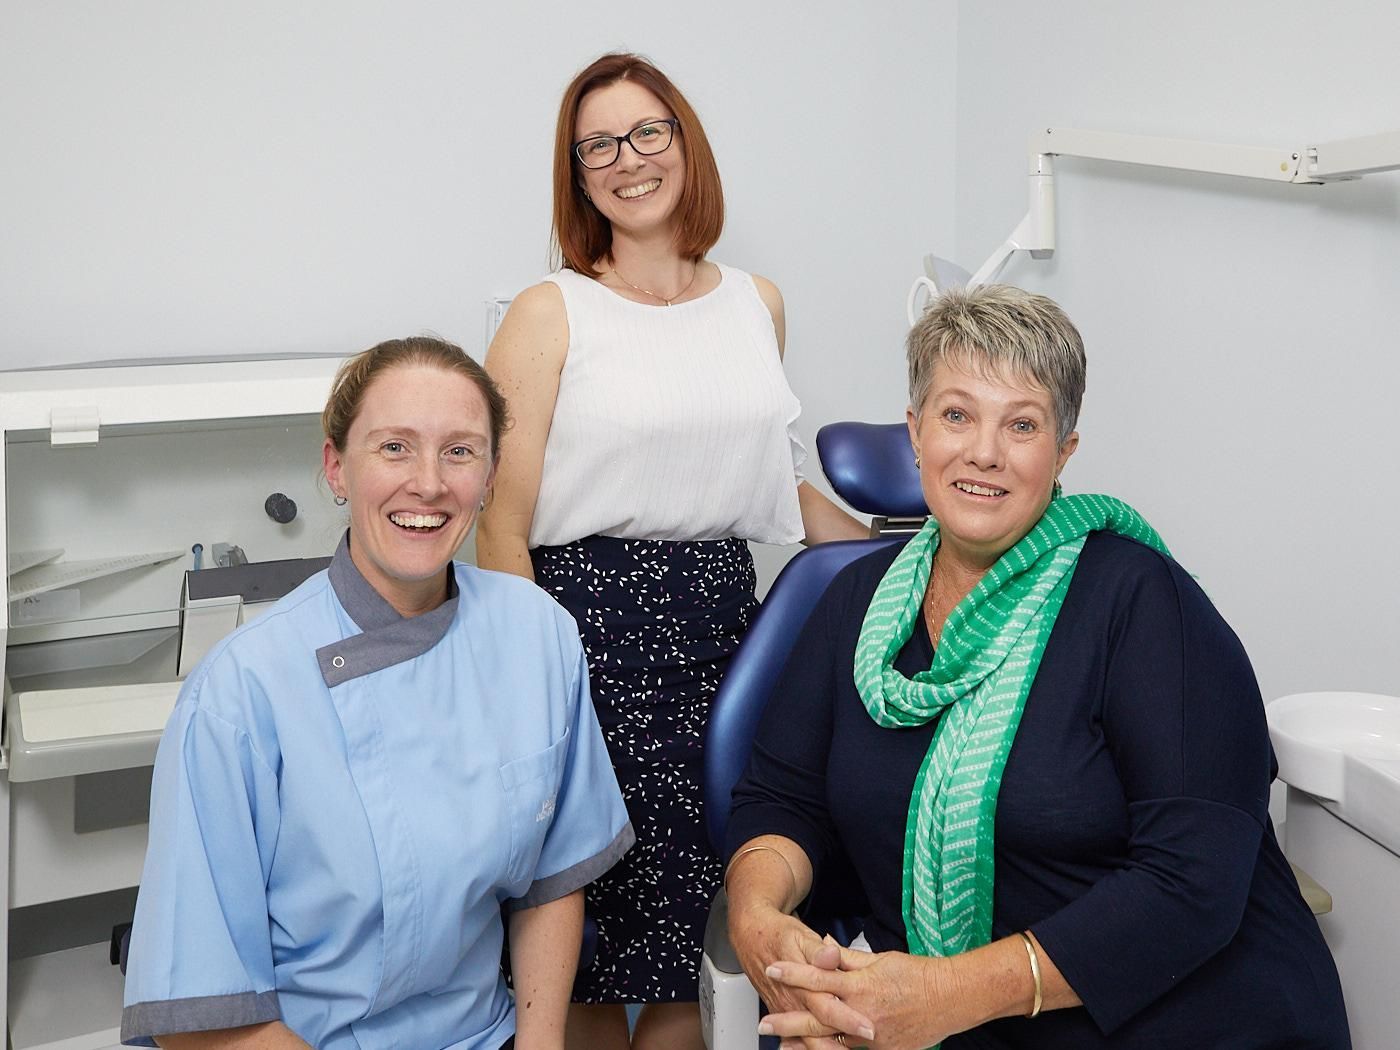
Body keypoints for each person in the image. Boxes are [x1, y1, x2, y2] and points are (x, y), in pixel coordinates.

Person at [725, 285, 1350, 1049]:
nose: (984, 452)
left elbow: (1192, 887)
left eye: (1022, 424)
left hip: (1174, 1017)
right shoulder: (854, 601)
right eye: (957, 416)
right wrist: (761, 922)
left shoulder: (1144, 604)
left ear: (1063, 453)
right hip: (944, 1015)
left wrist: (941, 996)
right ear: (916, 433)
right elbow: (780, 799)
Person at [477, 52, 867, 1050]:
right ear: (576, 174)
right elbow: (498, 523)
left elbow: (765, 480)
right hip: (585, 634)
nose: (627, 158)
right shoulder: (548, 312)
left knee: (700, 947)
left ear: (684, 145)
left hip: (729, 634)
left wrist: (906, 561)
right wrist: (536, 688)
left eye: (648, 131)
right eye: (597, 143)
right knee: (593, 949)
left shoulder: (756, 302)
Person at [121, 337, 634, 1050]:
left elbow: (551, 881)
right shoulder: (242, 694)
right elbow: (202, 1016)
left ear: (490, 478)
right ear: (336, 467)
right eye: (394, 447)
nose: (428, 484)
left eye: (460, 451)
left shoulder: (537, 635)